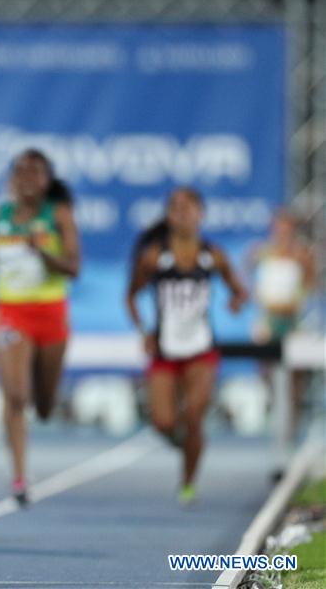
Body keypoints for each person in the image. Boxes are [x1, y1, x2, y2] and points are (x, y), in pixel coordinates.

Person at [0, 149, 80, 506]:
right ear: (12, 179)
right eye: (21, 171)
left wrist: (43, 252)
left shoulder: (58, 215)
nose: (28, 178)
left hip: (51, 314)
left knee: (43, 405)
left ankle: (45, 404)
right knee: (16, 396)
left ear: (47, 181)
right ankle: (19, 476)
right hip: (11, 314)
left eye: (36, 172)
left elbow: (74, 267)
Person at [127, 187, 247, 506]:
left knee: (193, 416)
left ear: (201, 214)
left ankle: (188, 481)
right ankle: (190, 447)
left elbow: (239, 291)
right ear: (168, 216)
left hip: (201, 351)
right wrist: (144, 331)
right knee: (164, 423)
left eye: (188, 207)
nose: (182, 213)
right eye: (175, 207)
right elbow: (131, 295)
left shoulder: (213, 255)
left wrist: (236, 302)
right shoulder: (155, 256)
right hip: (166, 351)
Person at [247, 210, 316, 453]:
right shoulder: (263, 252)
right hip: (269, 320)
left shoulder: (301, 255)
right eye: (278, 227)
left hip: (293, 320)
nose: (282, 232)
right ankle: (275, 408)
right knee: (268, 370)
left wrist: (299, 296)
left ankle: (291, 426)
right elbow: (248, 272)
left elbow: (311, 284)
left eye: (286, 228)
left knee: (295, 377)